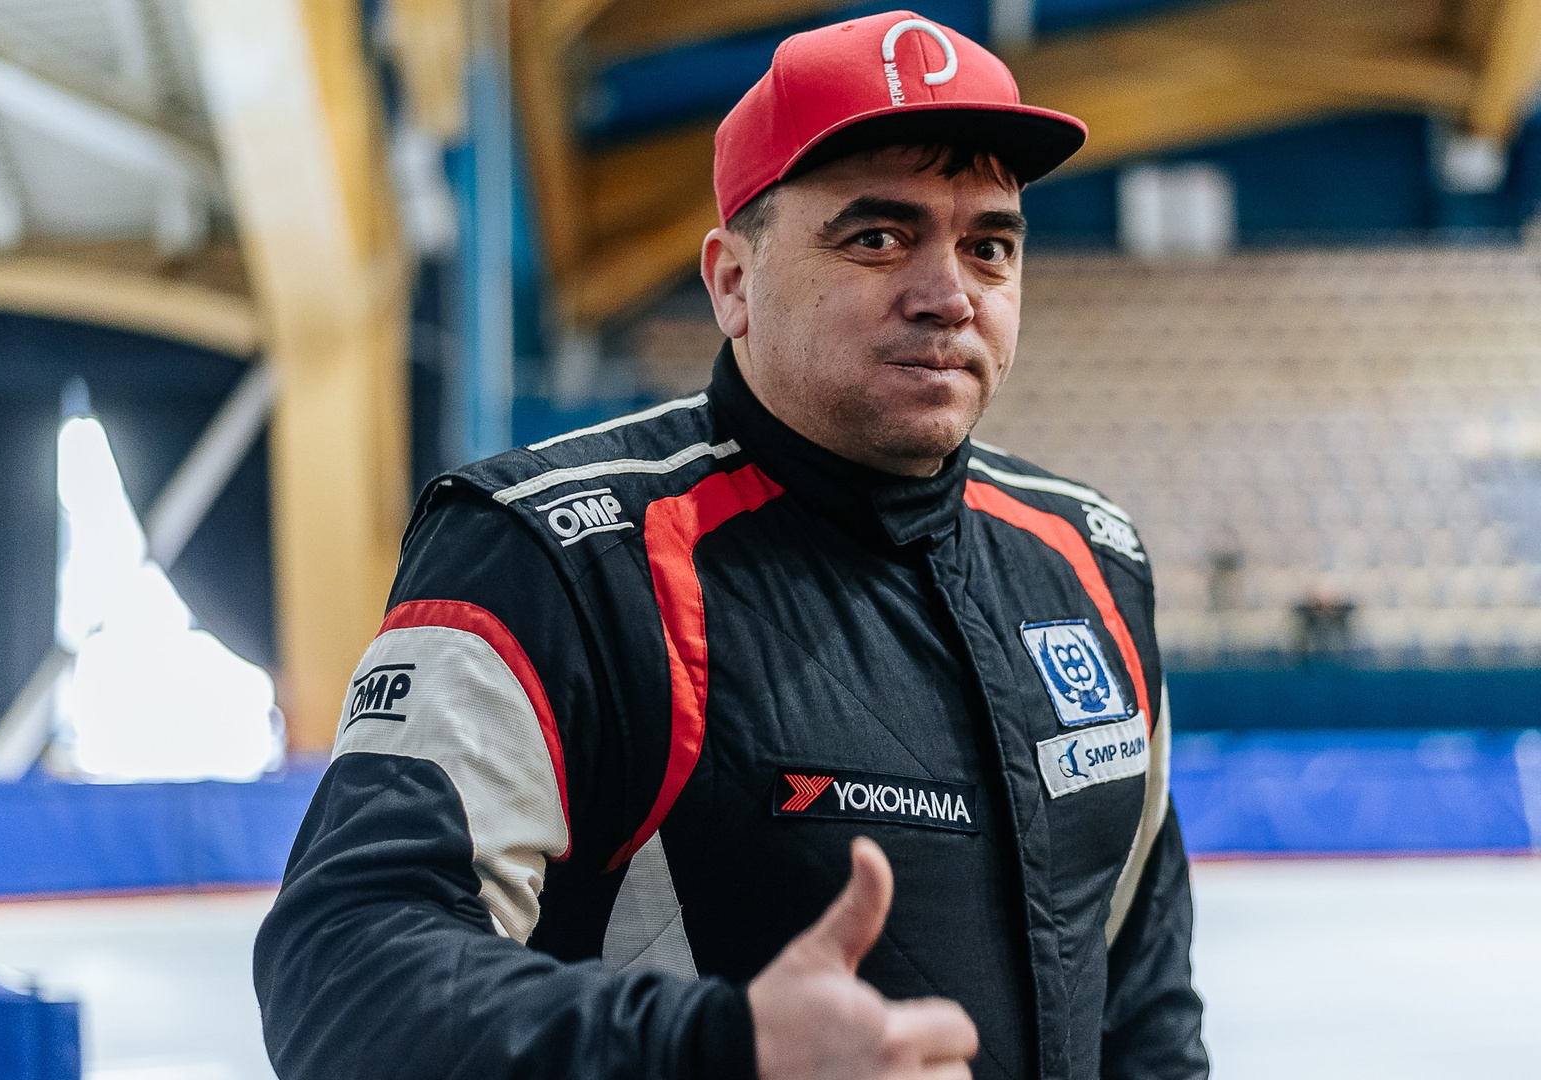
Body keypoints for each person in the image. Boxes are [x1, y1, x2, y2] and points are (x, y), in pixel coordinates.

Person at [254, 10, 1209, 1079]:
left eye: (989, 246)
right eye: (876, 237)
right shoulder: (555, 561)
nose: (949, 296)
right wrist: (724, 1049)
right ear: (731, 282)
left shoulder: (1090, 562)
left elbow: (1147, 1011)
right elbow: (343, 977)